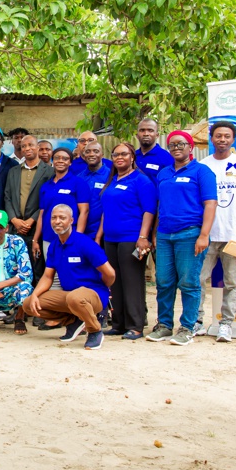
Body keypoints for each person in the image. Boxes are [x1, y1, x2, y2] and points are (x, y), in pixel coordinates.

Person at [146, 130, 217, 346]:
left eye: (181, 144)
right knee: (164, 281)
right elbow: (160, 206)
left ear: (190, 147)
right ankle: (165, 325)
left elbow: (210, 204)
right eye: (172, 145)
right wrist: (156, 232)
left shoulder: (202, 172)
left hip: (190, 233)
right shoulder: (164, 173)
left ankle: (188, 327)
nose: (177, 148)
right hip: (166, 235)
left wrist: (204, 235)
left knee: (188, 282)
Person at [197, 121, 236, 341]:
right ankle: (196, 322)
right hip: (207, 236)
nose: (222, 139)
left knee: (232, 282)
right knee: (198, 279)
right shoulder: (203, 165)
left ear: (233, 139)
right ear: (211, 138)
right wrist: (201, 233)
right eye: (218, 136)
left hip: (235, 237)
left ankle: (226, 324)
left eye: (226, 136)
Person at [22, 205, 116, 350]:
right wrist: (35, 294)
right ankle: (74, 321)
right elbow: (48, 277)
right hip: (70, 296)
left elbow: (110, 273)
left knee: (76, 297)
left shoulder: (84, 243)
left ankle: (94, 330)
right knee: (29, 304)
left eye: (62, 217)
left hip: (93, 294)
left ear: (71, 220)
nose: (57, 221)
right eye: (54, 218)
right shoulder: (54, 246)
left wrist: (100, 288)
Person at [95, 143, 156, 339]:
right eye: (116, 154)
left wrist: (143, 237)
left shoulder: (141, 180)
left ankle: (135, 325)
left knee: (132, 282)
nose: (119, 157)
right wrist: (99, 236)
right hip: (110, 239)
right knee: (115, 282)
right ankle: (119, 323)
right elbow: (106, 211)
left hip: (131, 238)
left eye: (124, 154)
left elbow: (149, 211)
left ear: (132, 157)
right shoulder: (112, 180)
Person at [4, 135, 54, 284]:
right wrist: (14, 220)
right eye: (24, 146)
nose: (27, 149)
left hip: (36, 228)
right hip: (16, 228)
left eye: (31, 145)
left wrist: (31, 220)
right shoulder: (13, 171)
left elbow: (48, 201)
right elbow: (7, 197)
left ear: (38, 147)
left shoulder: (49, 172)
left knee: (37, 268)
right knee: (15, 268)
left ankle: (36, 303)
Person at [32, 147, 91, 270]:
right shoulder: (46, 186)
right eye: (57, 158)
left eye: (65, 158)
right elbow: (42, 214)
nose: (60, 161)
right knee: (51, 273)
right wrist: (35, 239)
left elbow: (84, 211)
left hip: (69, 236)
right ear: (52, 161)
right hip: (48, 237)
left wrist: (78, 237)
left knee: (69, 271)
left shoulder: (78, 183)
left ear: (70, 162)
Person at [77, 142, 110, 238]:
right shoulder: (79, 178)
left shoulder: (111, 176)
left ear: (102, 155)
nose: (91, 154)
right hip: (83, 232)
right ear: (83, 155)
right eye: (88, 151)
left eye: (96, 151)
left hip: (104, 233)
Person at [136, 118, 174, 183]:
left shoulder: (166, 158)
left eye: (150, 130)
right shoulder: (131, 156)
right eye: (142, 130)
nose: (146, 134)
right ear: (137, 135)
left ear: (157, 135)